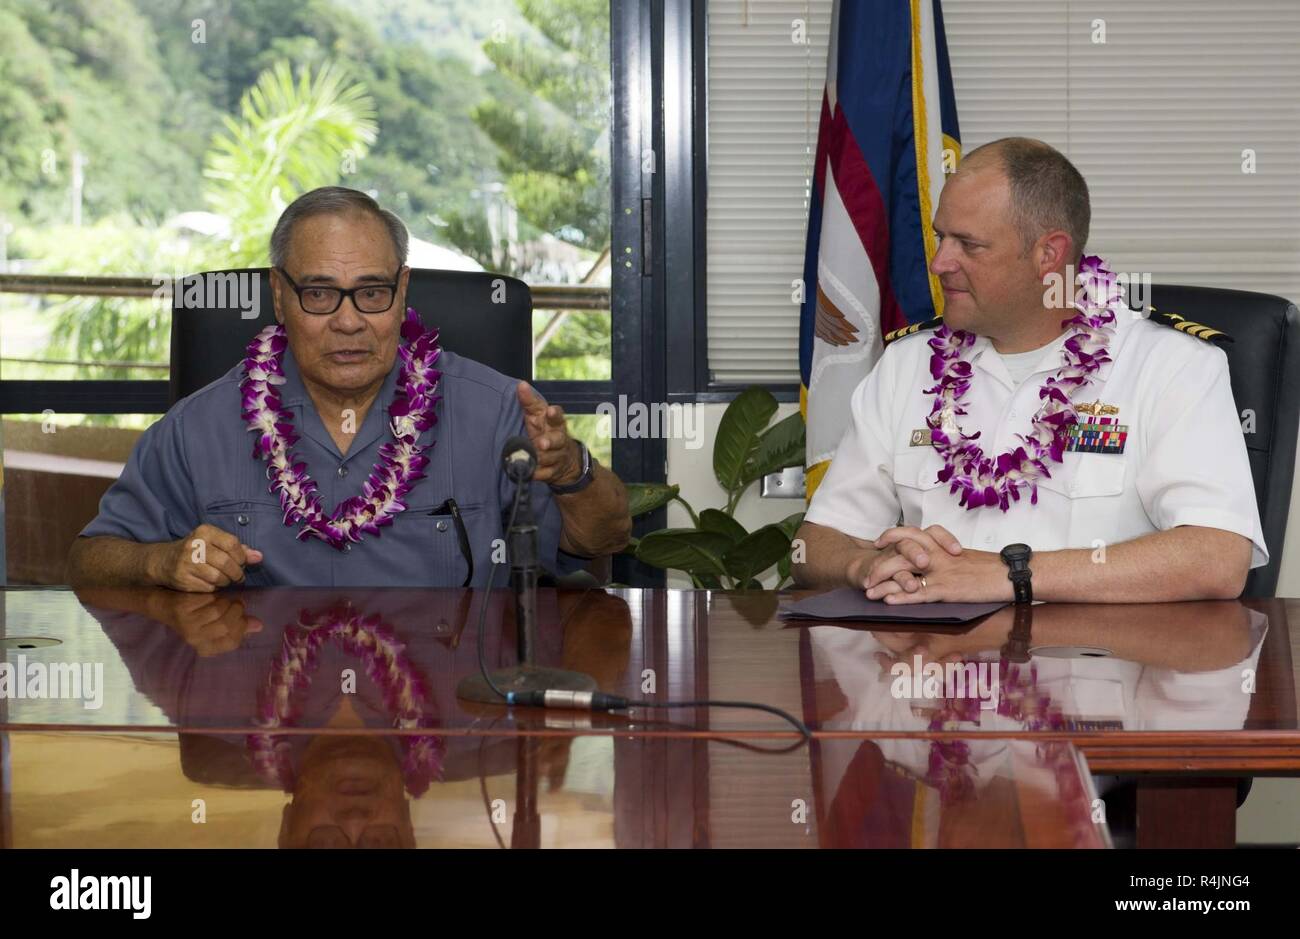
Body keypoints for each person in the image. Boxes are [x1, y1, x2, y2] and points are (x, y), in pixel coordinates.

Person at [67, 187, 631, 590]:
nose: (348, 321)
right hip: (259, 700)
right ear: (279, 296)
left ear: (402, 292)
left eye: (371, 292)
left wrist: (571, 471)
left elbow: (604, 540)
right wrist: (161, 562)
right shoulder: (199, 427)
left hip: (448, 701)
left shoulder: (495, 411)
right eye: (319, 293)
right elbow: (89, 559)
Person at [793, 137, 1267, 603]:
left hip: (1098, 651)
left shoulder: (1171, 364)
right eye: (941, 237)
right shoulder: (907, 364)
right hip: (934, 650)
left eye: (968, 245)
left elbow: (1218, 558)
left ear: (1049, 254)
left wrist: (1010, 576)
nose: (939, 263)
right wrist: (865, 566)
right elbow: (814, 544)